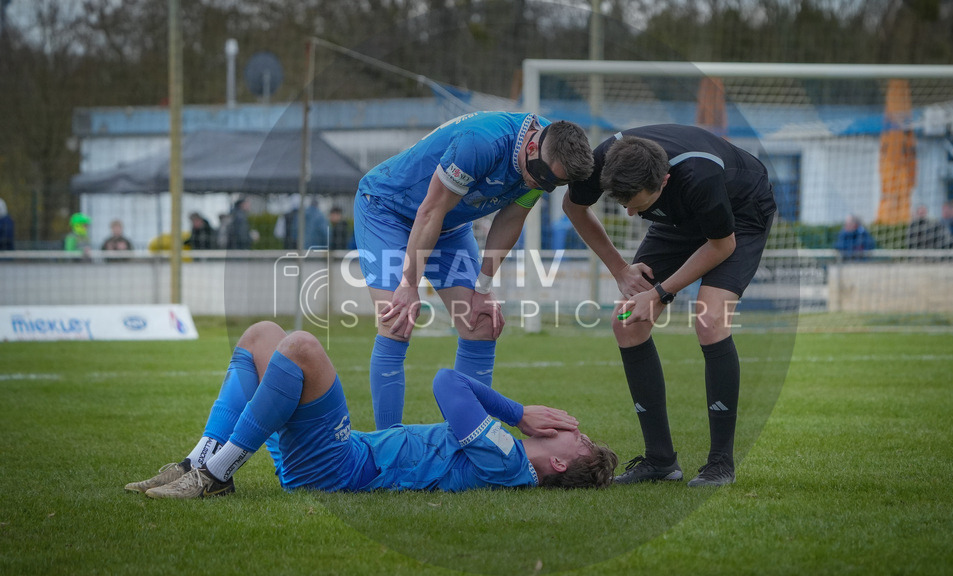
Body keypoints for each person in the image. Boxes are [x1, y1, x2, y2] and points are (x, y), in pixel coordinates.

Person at [124, 321, 617, 498]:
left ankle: (216, 474)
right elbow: (452, 385)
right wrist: (518, 413)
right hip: (342, 456)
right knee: (262, 337)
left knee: (300, 347)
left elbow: (447, 383)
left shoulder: (508, 459)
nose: (576, 428)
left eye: (582, 440)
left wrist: (519, 411)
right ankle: (200, 462)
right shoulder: (507, 456)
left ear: (558, 462)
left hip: (337, 466)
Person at [563, 125, 776, 487]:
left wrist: (659, 292)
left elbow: (721, 246)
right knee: (626, 322)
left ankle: (720, 463)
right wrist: (620, 270)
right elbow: (574, 206)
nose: (630, 214)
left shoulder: (700, 174)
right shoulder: (603, 160)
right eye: (622, 203)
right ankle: (660, 461)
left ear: (663, 181)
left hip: (738, 214)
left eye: (636, 204)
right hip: (676, 218)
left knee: (710, 319)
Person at [355, 111, 593, 430]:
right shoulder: (481, 143)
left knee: (481, 322)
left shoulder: (548, 159)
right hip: (387, 210)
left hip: (448, 223)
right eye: (539, 174)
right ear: (533, 147)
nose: (539, 183)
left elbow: (511, 220)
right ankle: (387, 445)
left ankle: (464, 442)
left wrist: (482, 289)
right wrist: (409, 284)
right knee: (397, 318)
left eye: (552, 184)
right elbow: (429, 211)